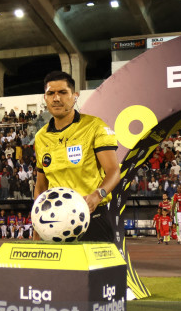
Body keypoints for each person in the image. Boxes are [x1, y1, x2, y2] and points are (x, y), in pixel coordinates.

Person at [32, 71, 120, 242]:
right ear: (45, 98)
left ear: (75, 96)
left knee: (96, 270)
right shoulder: (41, 137)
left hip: (92, 217)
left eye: (63, 92)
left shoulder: (95, 127)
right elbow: (41, 185)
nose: (56, 98)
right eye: (51, 93)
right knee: (57, 270)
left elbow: (113, 170)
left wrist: (97, 195)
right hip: (54, 222)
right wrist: (37, 222)